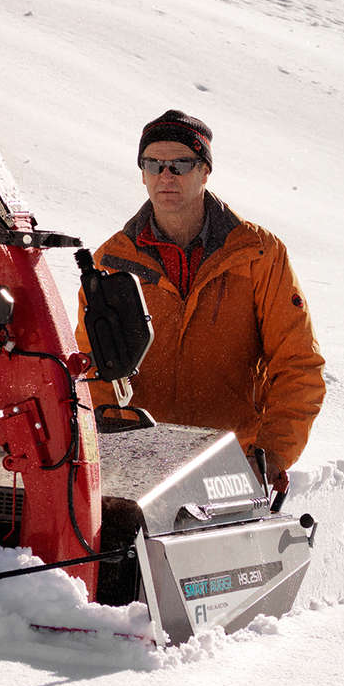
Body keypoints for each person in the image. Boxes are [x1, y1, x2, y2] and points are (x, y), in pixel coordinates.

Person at [75, 109, 325, 483]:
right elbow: (90, 370)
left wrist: (271, 455)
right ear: (142, 173)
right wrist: (110, 452)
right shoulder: (111, 262)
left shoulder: (258, 254)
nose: (166, 176)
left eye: (180, 164)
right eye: (154, 164)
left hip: (233, 468)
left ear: (205, 171)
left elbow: (297, 364)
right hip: (139, 468)